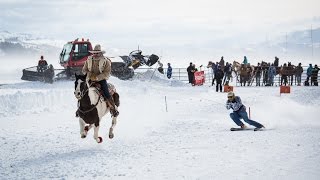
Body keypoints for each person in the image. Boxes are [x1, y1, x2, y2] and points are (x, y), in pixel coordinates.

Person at [82, 44, 119, 117]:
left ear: (100, 53)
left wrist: (97, 77)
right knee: (82, 92)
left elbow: (107, 73)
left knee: (106, 93)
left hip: (101, 80)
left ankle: (113, 109)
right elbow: (84, 70)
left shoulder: (106, 61)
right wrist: (89, 75)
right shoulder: (88, 60)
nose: (95, 54)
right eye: (94, 53)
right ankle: (80, 109)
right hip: (89, 79)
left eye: (97, 53)